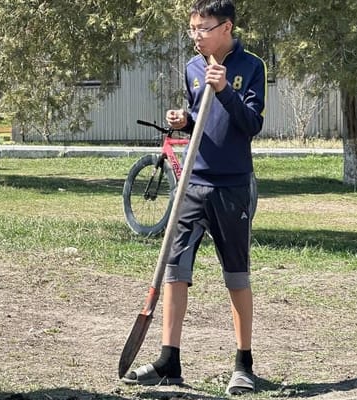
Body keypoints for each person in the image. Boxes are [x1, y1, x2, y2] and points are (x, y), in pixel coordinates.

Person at [120, 0, 266, 395]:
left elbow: (250, 124)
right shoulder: (192, 67)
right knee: (175, 269)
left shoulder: (251, 67)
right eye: (192, 29)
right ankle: (170, 359)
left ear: (226, 27)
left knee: (235, 274)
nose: (197, 36)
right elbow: (196, 112)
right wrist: (182, 119)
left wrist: (224, 91)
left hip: (231, 185)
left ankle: (243, 364)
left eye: (203, 28)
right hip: (192, 183)